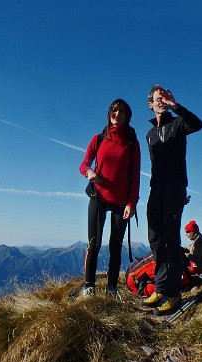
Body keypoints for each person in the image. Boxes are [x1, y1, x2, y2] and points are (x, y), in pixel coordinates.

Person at [140, 84, 202, 315]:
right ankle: (159, 288)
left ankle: (173, 295)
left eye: (163, 98)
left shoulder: (178, 124)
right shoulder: (149, 135)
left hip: (174, 188)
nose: (161, 101)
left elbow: (198, 124)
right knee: (155, 239)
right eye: (157, 99)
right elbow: (154, 165)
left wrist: (175, 105)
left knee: (170, 239)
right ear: (150, 104)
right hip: (155, 190)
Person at [78, 99, 140, 298]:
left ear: (127, 116)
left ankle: (111, 289)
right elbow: (83, 164)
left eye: (121, 111)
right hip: (98, 197)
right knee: (93, 244)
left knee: (115, 246)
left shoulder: (131, 142)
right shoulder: (98, 139)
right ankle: (89, 287)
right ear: (109, 114)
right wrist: (89, 173)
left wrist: (132, 203)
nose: (117, 114)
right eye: (114, 110)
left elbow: (136, 175)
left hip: (121, 203)